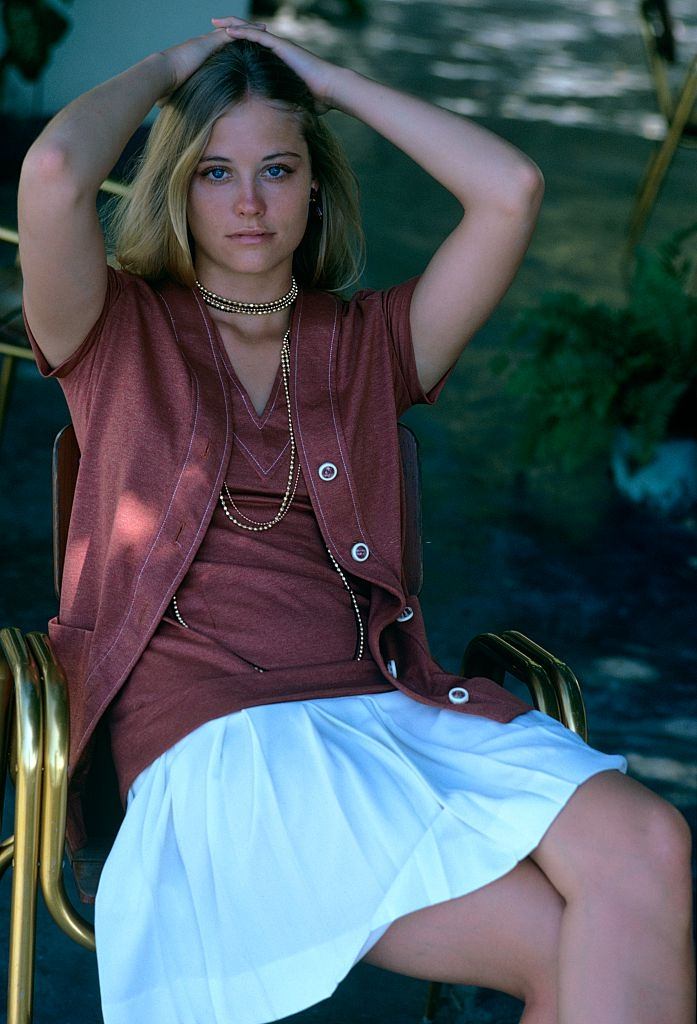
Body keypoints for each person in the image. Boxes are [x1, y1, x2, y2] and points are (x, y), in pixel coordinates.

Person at [18, 13, 694, 1024]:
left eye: (279, 168)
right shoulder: (115, 328)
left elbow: (509, 191)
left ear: (317, 183)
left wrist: (331, 80)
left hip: (385, 708)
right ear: (175, 184)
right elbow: (60, 168)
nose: (248, 202)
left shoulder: (371, 339)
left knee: (652, 846)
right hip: (218, 740)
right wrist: (169, 68)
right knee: (565, 945)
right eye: (213, 171)